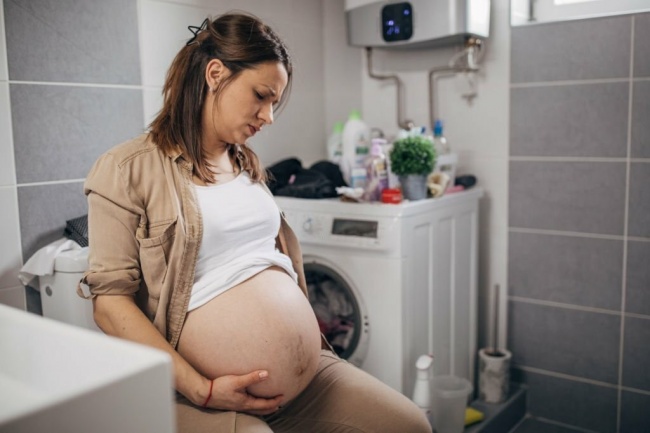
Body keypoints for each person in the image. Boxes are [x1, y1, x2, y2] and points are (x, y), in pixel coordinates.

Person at [80, 11, 431, 433]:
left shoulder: (244, 161)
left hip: (310, 375)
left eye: (274, 103)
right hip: (198, 391)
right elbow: (109, 304)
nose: (268, 116)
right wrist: (201, 389)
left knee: (410, 425)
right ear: (215, 74)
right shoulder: (125, 169)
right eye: (262, 96)